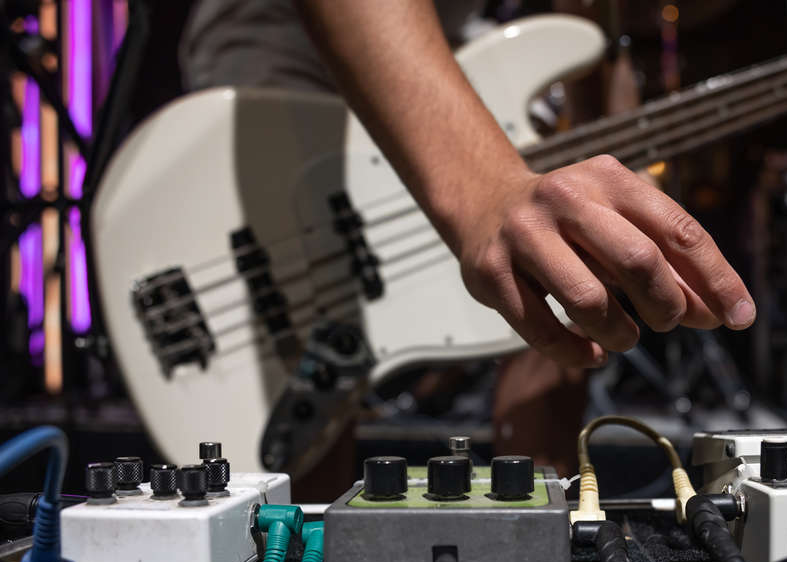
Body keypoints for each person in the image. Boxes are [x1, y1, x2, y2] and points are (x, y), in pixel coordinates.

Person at [181, 0, 755, 485]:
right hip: (296, 46)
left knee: (563, 269)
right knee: (308, 400)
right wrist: (488, 193)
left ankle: (537, 537)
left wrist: (581, 148)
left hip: (463, 42)